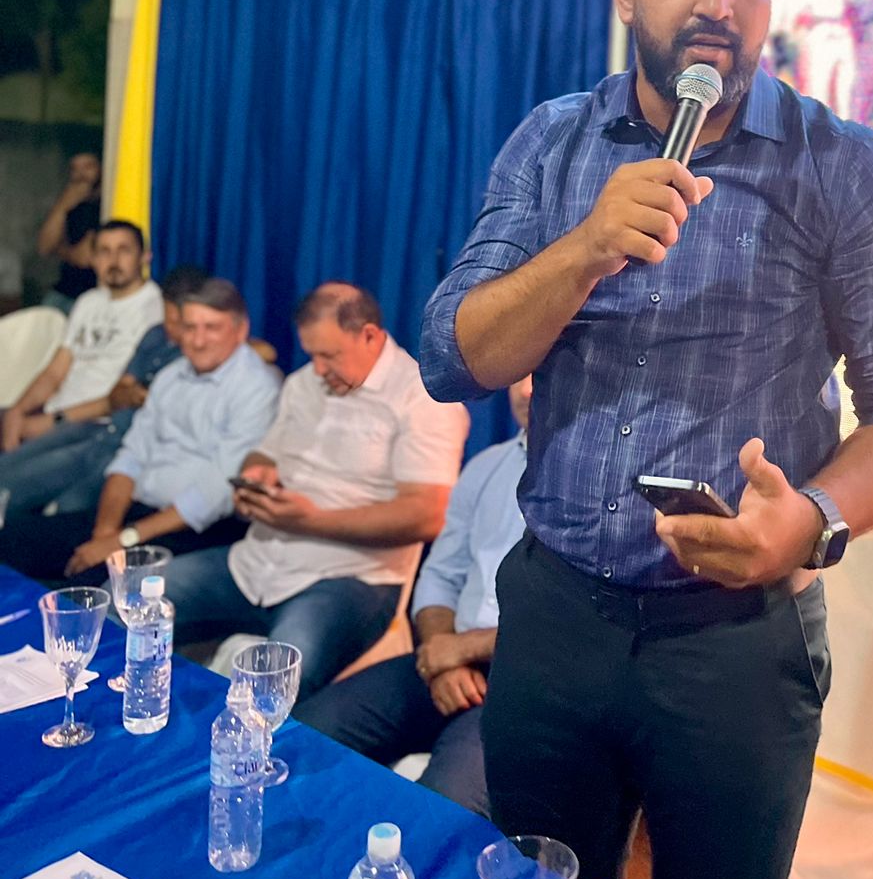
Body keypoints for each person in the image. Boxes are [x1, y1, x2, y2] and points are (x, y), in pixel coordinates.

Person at [419, 0, 873, 879]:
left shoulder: (845, 169)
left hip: (736, 644)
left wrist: (806, 520)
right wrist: (584, 248)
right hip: (555, 617)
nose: (720, 5)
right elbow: (453, 356)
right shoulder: (553, 143)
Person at [165, 283, 468, 699]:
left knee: (275, 684)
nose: (319, 369)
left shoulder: (422, 399)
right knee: (130, 600)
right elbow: (266, 452)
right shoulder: (302, 384)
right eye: (312, 355)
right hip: (257, 560)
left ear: (369, 335)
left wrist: (312, 521)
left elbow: (428, 515)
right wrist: (257, 474)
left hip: (348, 577)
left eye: (330, 355)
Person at [295, 375, 531, 814]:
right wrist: (442, 653)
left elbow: (576, 627)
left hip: (527, 683)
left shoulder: (597, 489)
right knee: (302, 736)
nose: (526, 390)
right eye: (520, 375)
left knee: (439, 813)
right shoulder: (488, 465)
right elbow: (440, 575)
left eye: (542, 372)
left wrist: (459, 648)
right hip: (445, 656)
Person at [0, 277, 280, 585]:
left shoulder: (257, 387)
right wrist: (105, 531)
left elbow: (216, 493)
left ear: (240, 330)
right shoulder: (170, 377)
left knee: (87, 584)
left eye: (211, 328)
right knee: (14, 539)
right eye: (189, 327)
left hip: (197, 529)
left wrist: (122, 540)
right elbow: (130, 457)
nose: (198, 340)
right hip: (136, 514)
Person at [0, 262, 207, 518]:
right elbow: (118, 394)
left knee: (63, 507)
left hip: (127, 446)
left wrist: (144, 396)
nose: (172, 329)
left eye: (180, 322)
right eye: (168, 319)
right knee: (8, 475)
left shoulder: (200, 352)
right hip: (100, 432)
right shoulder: (155, 334)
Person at [2, 220, 163, 456]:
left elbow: (126, 395)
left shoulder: (155, 310)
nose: (114, 260)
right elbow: (55, 372)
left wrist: (51, 422)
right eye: (104, 251)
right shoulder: (89, 302)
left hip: (95, 426)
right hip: (53, 414)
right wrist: (17, 411)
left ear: (145, 257)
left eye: (124, 250)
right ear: (94, 259)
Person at [38, 152, 101, 312]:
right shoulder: (71, 204)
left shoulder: (104, 205)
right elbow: (44, 247)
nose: (81, 175)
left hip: (94, 293)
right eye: (75, 169)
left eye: (88, 167)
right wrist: (63, 205)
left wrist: (60, 250)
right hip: (64, 291)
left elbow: (84, 258)